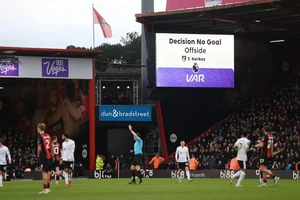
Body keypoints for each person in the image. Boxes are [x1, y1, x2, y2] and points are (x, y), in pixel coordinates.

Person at [37, 123, 54, 194]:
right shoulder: (48, 136)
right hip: (49, 156)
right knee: (48, 172)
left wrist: (38, 155)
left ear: (39, 129)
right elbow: (52, 145)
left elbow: (39, 148)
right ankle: (48, 188)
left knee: (44, 172)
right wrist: (52, 154)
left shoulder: (40, 137)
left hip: (44, 156)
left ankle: (45, 189)